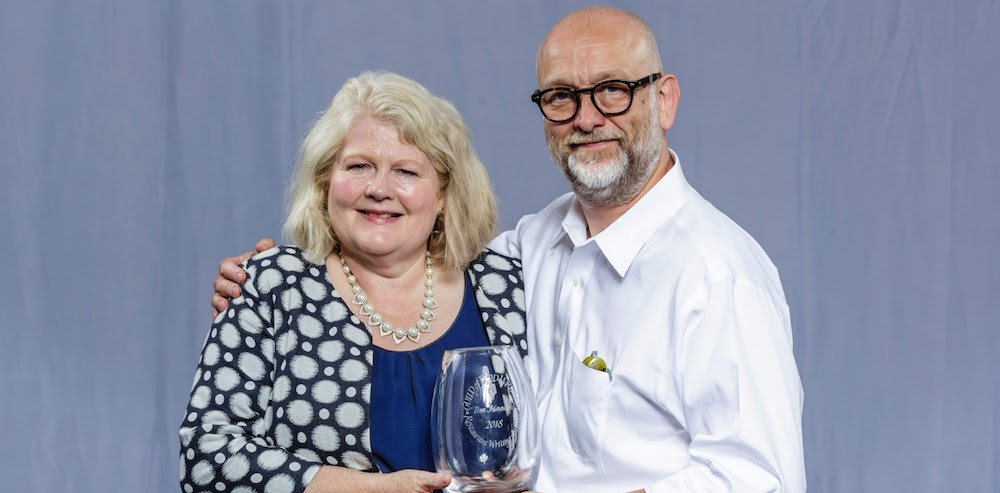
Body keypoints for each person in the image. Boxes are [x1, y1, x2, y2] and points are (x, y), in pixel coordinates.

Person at [214, 7, 806, 492]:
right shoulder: (530, 247)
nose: (586, 118)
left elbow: (759, 477)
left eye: (613, 90)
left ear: (665, 100)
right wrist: (271, 282)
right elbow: (407, 252)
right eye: (561, 96)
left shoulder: (718, 276)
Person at [181, 71, 528, 493]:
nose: (379, 189)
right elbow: (206, 456)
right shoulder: (271, 286)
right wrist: (369, 491)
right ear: (325, 181)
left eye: (406, 171)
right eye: (359, 166)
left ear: (442, 194)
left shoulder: (506, 286)